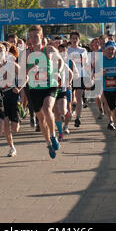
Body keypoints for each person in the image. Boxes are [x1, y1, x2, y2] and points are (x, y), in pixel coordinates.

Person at [26, 25, 63, 159]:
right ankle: (48, 143)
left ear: (41, 37)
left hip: (49, 85)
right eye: (31, 36)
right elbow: (22, 73)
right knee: (41, 119)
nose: (34, 39)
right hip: (35, 89)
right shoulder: (27, 53)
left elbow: (61, 61)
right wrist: (30, 69)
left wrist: (58, 72)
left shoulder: (49, 49)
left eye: (36, 36)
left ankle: (53, 136)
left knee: (47, 110)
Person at [68, 31, 90, 128]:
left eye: (76, 38)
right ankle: (70, 113)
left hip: (80, 76)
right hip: (70, 76)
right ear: (70, 39)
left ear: (79, 40)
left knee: (79, 96)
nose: (74, 40)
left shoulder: (83, 51)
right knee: (71, 99)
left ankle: (78, 118)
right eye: (73, 38)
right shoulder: (67, 50)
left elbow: (86, 64)